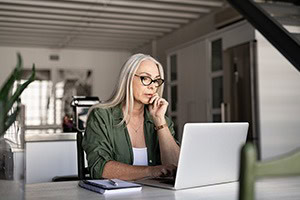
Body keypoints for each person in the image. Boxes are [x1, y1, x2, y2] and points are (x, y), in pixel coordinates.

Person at [82, 53, 180, 181]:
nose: (153, 86)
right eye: (145, 78)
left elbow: (177, 167)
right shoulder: (101, 116)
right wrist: (152, 171)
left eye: (156, 80)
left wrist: (160, 122)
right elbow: (100, 168)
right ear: (127, 78)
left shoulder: (161, 119)